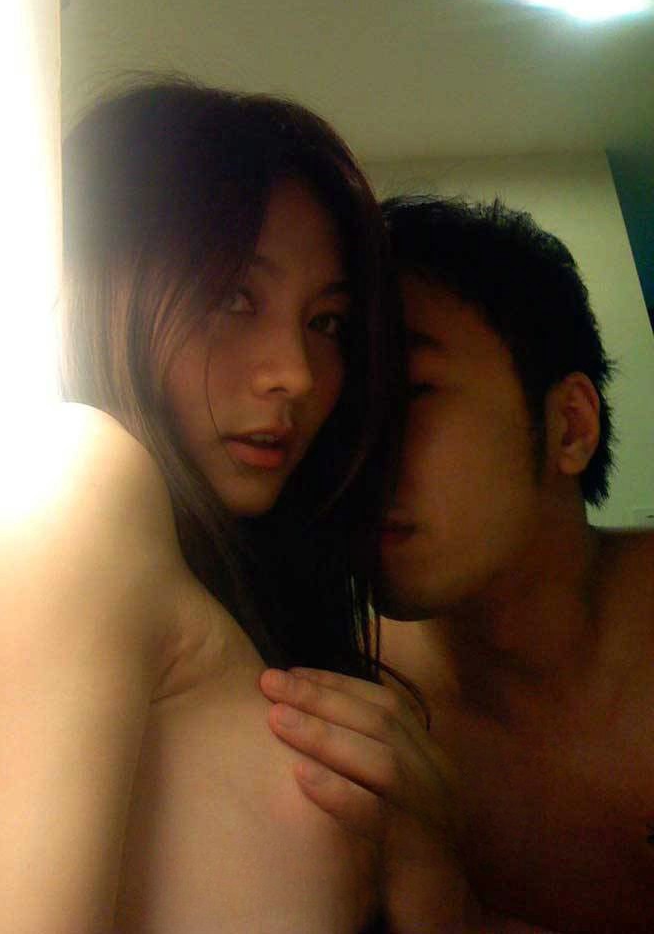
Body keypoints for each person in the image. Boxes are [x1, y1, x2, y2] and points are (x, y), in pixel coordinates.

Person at [0, 80, 404, 933]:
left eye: (326, 323)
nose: (296, 373)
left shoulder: (207, 579)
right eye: (234, 298)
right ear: (114, 286)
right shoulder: (69, 479)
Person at [261, 196, 654, 933]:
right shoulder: (356, 719)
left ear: (569, 425)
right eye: (343, 414)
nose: (356, 457)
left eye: (412, 395)